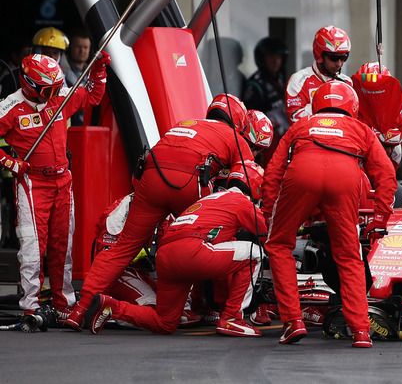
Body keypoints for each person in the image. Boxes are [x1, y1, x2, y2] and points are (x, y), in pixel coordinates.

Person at [65, 93, 254, 330]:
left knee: (122, 248)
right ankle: (205, 306)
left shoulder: (184, 124)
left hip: (151, 179)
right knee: (205, 240)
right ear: (239, 121)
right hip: (190, 184)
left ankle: (80, 309)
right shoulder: (235, 138)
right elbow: (243, 186)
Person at [263, 80, 396, 348]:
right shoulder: (361, 129)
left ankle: (292, 321)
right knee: (348, 256)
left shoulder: (300, 126)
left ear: (317, 104)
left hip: (302, 172)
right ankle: (360, 331)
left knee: (278, 244)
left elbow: (273, 170)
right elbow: (387, 175)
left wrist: (268, 211)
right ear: (353, 106)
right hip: (345, 179)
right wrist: (381, 218)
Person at [85, 162, 267, 337]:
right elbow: (270, 234)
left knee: (165, 322)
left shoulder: (209, 199)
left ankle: (111, 307)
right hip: (191, 252)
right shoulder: (242, 201)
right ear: (257, 186)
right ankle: (233, 318)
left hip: (166, 255)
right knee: (255, 253)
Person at [0, 52, 109, 320]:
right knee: (32, 248)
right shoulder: (9, 107)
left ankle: (63, 304)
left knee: (63, 246)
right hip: (32, 183)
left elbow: (93, 95)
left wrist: (98, 70)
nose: (56, 93)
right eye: (50, 89)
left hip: (63, 180)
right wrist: (12, 163)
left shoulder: (61, 98)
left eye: (57, 87)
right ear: (30, 85)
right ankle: (31, 306)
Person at [285, 26, 352, 124]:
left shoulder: (347, 83)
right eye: (334, 58)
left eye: (343, 58)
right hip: (310, 137)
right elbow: (294, 117)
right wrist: (327, 104)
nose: (339, 64)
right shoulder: (298, 80)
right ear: (319, 54)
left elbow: (353, 119)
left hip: (341, 137)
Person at [242, 37, 289, 141]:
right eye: (271, 56)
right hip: (267, 138)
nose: (275, 61)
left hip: (285, 135)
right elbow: (249, 118)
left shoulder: (283, 79)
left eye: (278, 56)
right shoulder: (255, 85)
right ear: (262, 58)